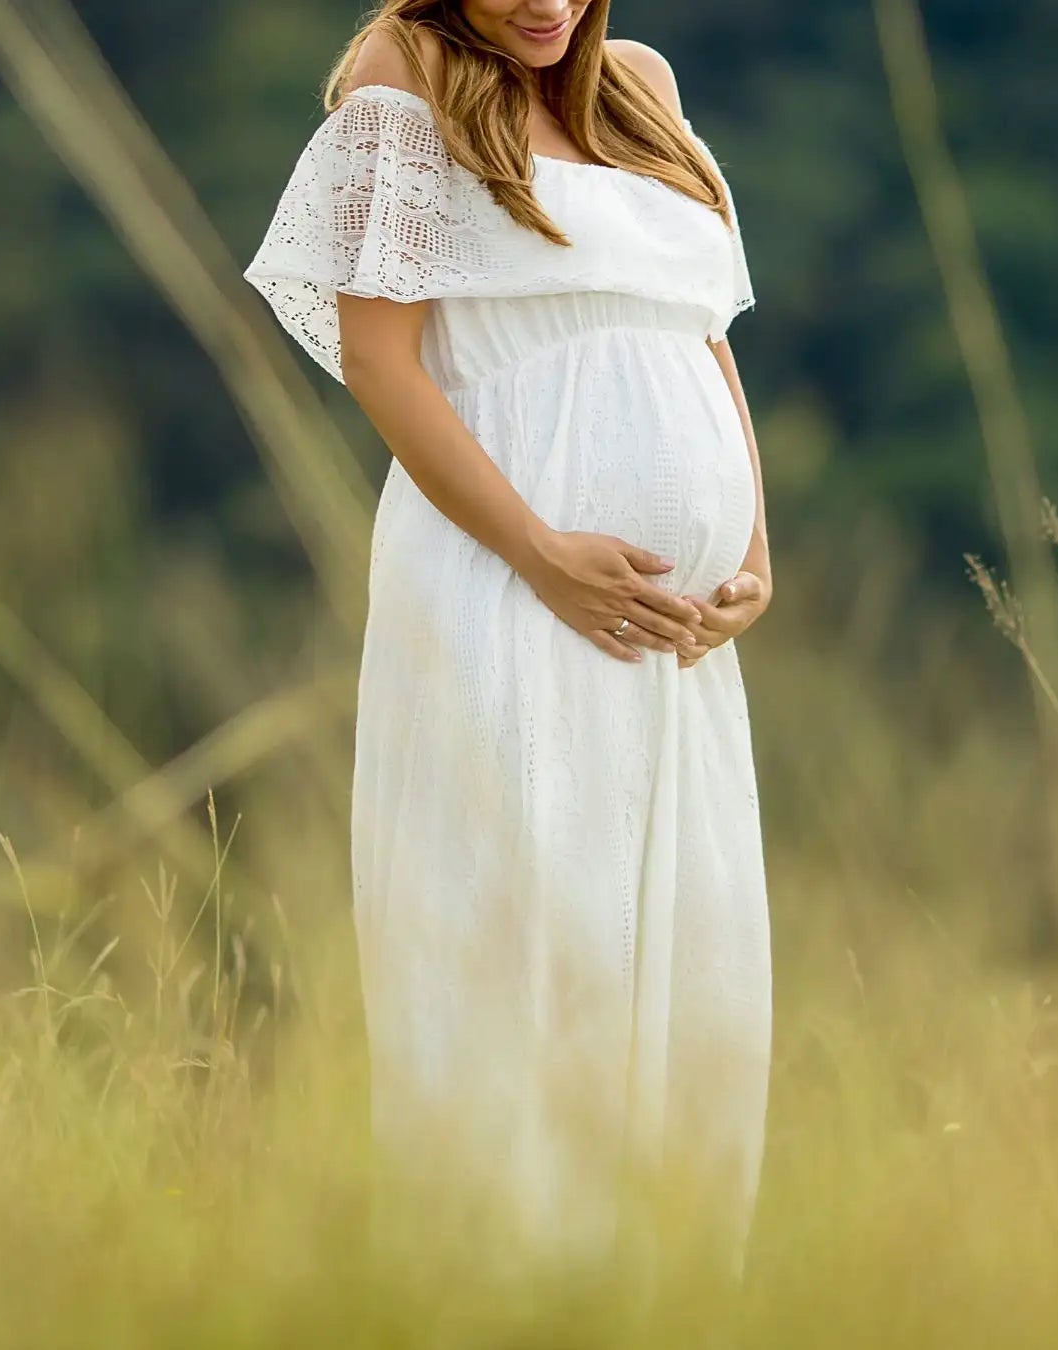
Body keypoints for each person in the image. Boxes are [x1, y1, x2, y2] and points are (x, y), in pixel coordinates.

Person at [243, 0, 776, 1272]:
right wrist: (540, 551)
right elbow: (382, 361)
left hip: (673, 647)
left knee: (693, 980)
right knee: (528, 963)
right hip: (506, 598)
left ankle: (664, 1298)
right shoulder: (406, 71)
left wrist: (753, 553)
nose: (543, 3)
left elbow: (697, 332)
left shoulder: (639, 85)